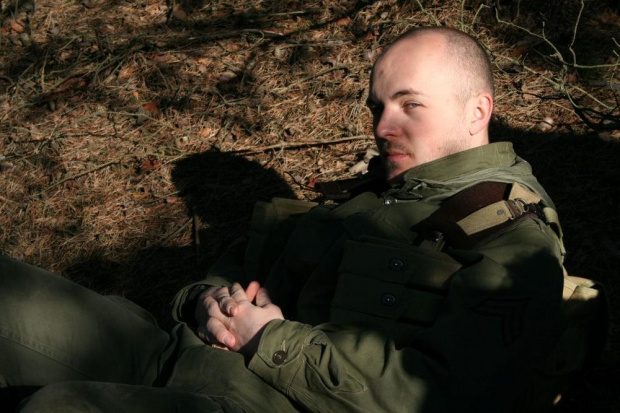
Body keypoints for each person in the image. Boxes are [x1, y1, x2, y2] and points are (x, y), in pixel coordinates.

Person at [0, 26, 576, 412]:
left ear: (478, 110)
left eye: (410, 104)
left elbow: (441, 395)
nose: (381, 126)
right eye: (379, 107)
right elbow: (217, 277)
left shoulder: (508, 235)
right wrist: (208, 304)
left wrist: (268, 338)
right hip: (174, 356)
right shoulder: (367, 198)